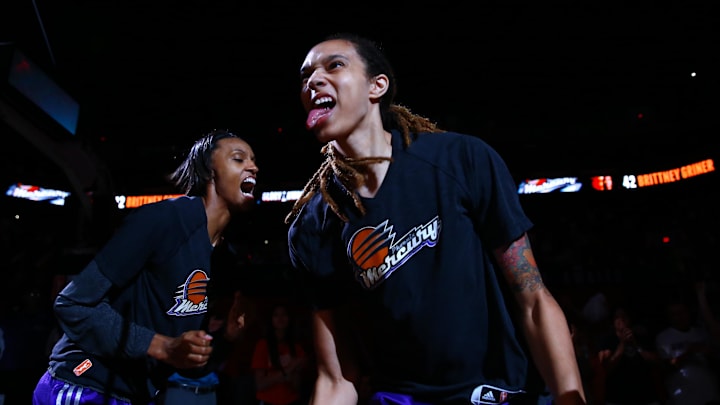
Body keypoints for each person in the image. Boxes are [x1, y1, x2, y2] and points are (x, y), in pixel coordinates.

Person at [284, 32, 586, 405]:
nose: (313, 80)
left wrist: (571, 397)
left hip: (491, 393)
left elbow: (533, 299)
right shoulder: (313, 224)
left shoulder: (461, 159)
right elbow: (336, 379)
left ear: (377, 86)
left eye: (334, 65)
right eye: (306, 75)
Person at [32, 129, 259, 405]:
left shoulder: (222, 258)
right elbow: (71, 304)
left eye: (254, 159)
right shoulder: (164, 220)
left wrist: (226, 340)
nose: (253, 166)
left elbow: (182, 362)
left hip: (138, 396)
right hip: (85, 385)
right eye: (239, 158)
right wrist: (161, 346)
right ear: (210, 169)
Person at [251, 303, 310, 405]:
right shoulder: (262, 345)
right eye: (276, 315)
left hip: (291, 401)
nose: (280, 318)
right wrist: (289, 370)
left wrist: (276, 377)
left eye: (284, 314)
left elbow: (297, 386)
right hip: (267, 401)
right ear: (271, 319)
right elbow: (260, 384)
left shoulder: (297, 348)